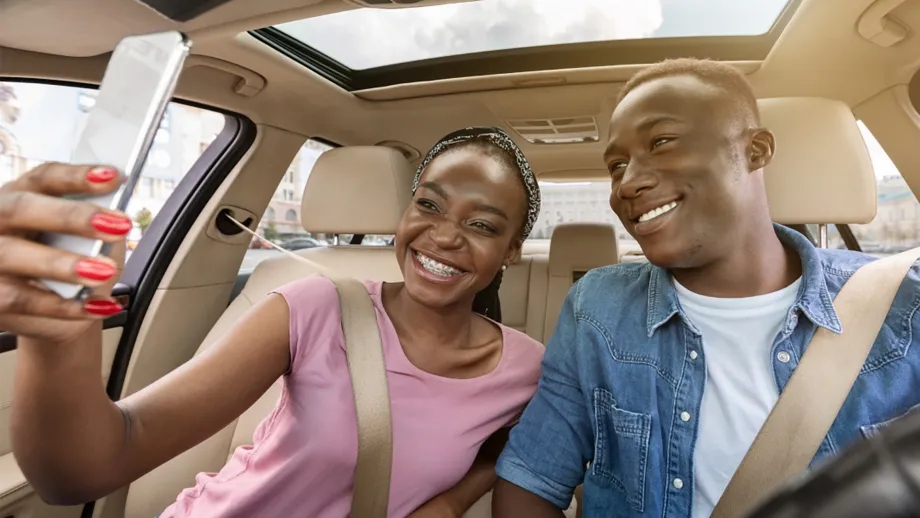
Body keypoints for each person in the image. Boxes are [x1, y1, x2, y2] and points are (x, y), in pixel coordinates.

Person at [2, 126, 546, 517]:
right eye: (428, 205)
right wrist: (58, 333)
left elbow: (512, 449)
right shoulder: (313, 307)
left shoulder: (528, 369)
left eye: (480, 224)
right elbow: (92, 463)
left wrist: (451, 502)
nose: (445, 235)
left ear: (512, 250)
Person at [491, 58, 920, 517]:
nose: (628, 183)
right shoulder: (597, 310)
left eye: (661, 142)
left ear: (755, 150)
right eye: (617, 166)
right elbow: (529, 480)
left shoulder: (902, 301)